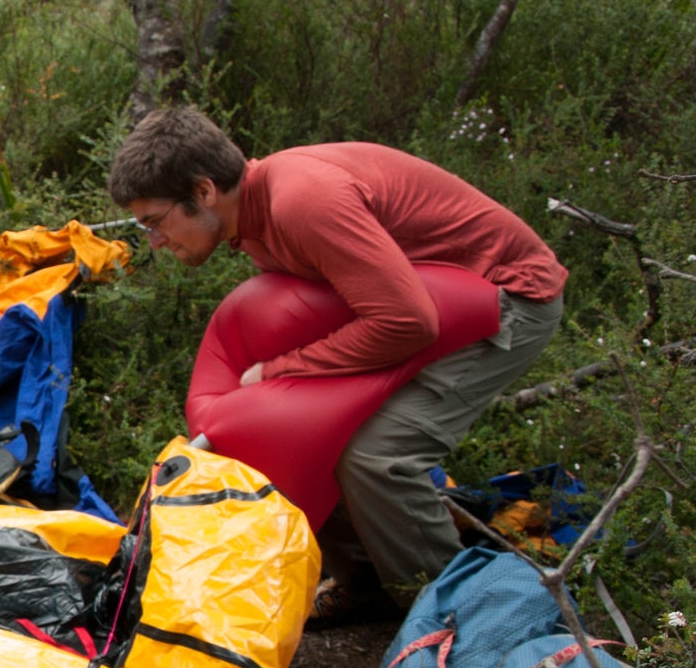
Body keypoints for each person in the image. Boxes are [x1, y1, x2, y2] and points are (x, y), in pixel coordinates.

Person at [106, 107, 566, 611]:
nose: (154, 241)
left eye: (154, 222)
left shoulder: (302, 202)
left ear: (203, 192)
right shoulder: (250, 219)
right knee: (296, 435)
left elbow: (408, 322)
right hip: (429, 302)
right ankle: (366, 585)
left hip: (509, 300)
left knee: (377, 457)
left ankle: (452, 617)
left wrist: (279, 371)